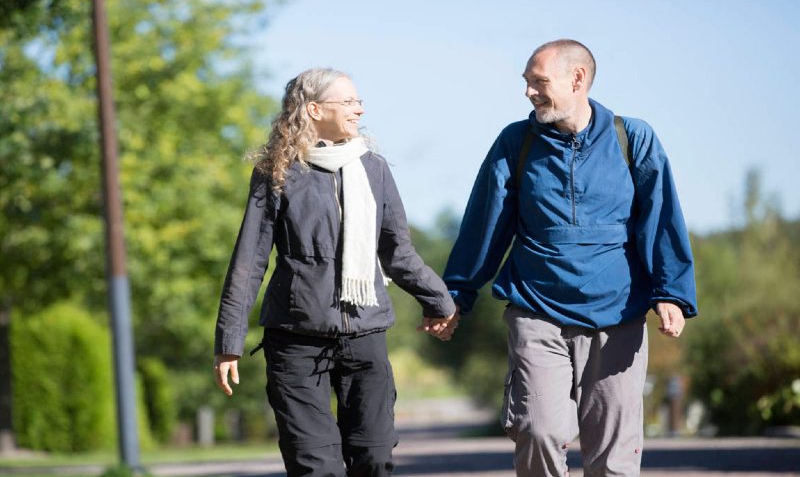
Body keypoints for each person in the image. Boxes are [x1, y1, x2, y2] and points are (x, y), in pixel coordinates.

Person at [441, 39, 698, 475]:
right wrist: (456, 294)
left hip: (618, 313)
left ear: (577, 79)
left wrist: (670, 292)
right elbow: (485, 225)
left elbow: (661, 219)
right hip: (536, 310)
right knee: (537, 430)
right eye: (526, 83)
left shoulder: (631, 138)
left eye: (539, 82)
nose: (529, 92)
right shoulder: (516, 142)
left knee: (613, 454)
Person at [212, 68, 456, 476]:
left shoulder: (374, 169)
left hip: (365, 336)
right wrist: (229, 340)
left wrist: (439, 301)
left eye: (358, 101)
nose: (359, 109)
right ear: (314, 109)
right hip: (295, 339)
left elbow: (398, 252)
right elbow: (249, 259)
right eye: (348, 102)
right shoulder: (277, 172)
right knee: (316, 466)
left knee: (375, 459)